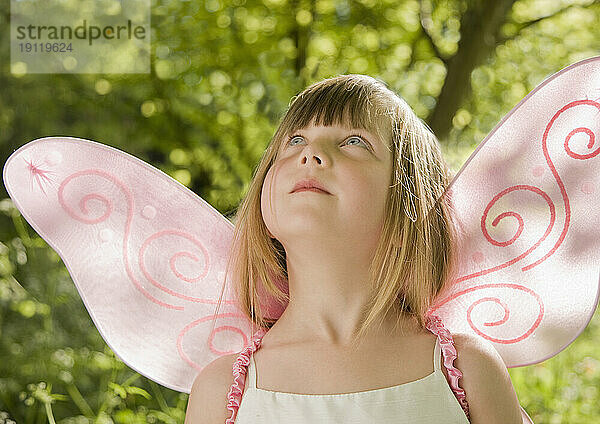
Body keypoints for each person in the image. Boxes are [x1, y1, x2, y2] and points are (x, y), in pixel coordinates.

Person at [184, 74, 523, 423]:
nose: (311, 153)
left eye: (354, 142)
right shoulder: (219, 392)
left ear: (409, 211)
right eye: (295, 139)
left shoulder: (469, 373)